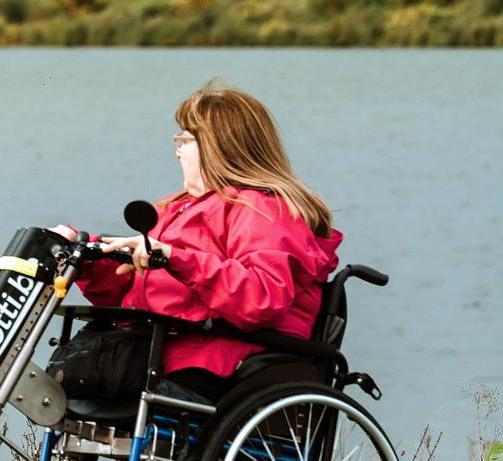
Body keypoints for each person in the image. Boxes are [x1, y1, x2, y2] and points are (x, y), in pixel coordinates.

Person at [55, 81, 342, 402]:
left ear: (219, 146)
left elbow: (261, 299)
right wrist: (85, 256)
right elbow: (132, 293)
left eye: (185, 140)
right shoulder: (176, 208)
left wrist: (176, 258)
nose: (176, 150)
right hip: (157, 349)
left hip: (223, 364)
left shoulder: (263, 209)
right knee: (66, 381)